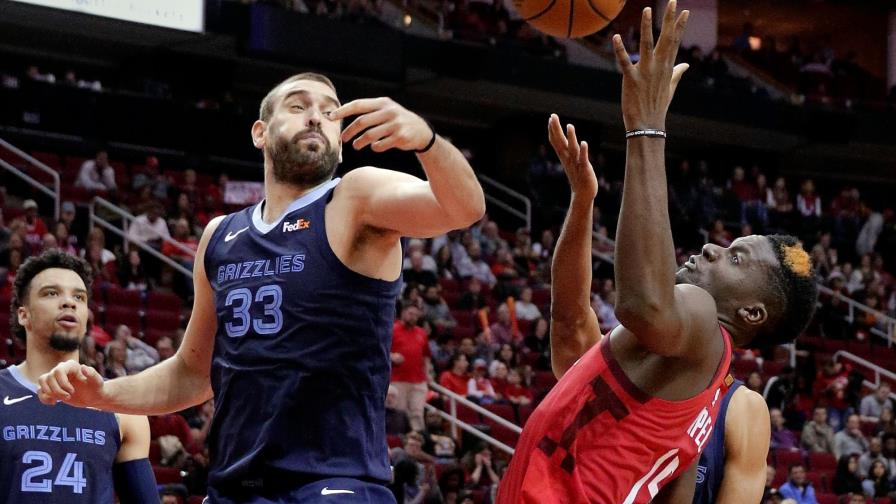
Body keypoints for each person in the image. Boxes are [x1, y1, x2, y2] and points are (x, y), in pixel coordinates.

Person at [37, 72, 485, 503]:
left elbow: (463, 208)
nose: (316, 117)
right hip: (235, 486)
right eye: (298, 106)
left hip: (334, 481)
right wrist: (104, 395)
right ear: (260, 133)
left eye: (331, 114)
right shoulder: (219, 236)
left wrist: (426, 142)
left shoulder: (355, 197)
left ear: (341, 146)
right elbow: (194, 373)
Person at [497, 4, 817, 503]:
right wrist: (582, 204)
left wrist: (645, 126)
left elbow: (644, 303)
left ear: (751, 312)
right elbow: (567, 338)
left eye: (735, 259)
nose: (712, 248)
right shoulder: (695, 399)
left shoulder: (704, 322)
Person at [2, 250, 156, 502]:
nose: (69, 302)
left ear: (86, 317)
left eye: (79, 297)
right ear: (23, 315)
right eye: (51, 293)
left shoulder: (123, 409)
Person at [390, 303, 431, 432]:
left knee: (417, 413)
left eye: (416, 315)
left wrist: (428, 373)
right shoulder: (392, 329)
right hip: (397, 379)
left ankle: (418, 440)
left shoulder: (422, 333)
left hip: (418, 380)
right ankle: (401, 441)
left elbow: (426, 355)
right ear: (403, 313)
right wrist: (392, 356)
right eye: (411, 314)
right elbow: (380, 350)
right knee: (399, 413)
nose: (413, 317)